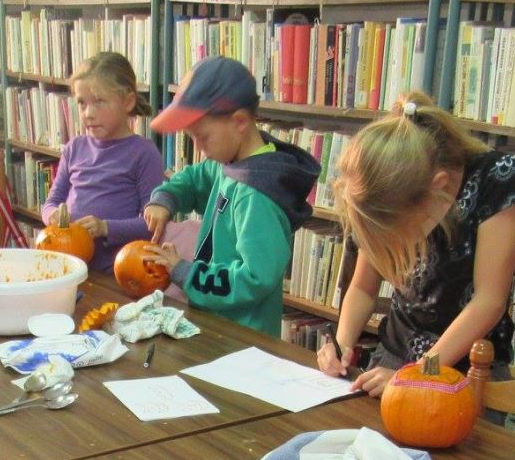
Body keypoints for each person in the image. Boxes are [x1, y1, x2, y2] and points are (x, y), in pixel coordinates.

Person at [317, 91, 515, 396]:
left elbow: (488, 302)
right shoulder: (385, 187)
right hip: (393, 359)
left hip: (466, 371)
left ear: (438, 187)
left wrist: (418, 374)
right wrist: (341, 344)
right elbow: (364, 287)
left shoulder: (496, 177)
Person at [143, 56, 320, 337]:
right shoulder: (230, 163)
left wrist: (185, 272)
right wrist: (165, 199)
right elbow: (194, 179)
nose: (199, 148)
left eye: (203, 137)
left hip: (244, 337)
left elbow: (255, 278)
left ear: (239, 121)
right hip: (216, 326)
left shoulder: (256, 196)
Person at [41, 52, 165, 273]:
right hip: (68, 266)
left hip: (116, 272)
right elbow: (52, 201)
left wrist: (105, 227)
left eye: (99, 102)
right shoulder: (74, 148)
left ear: (128, 102)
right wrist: (51, 215)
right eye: (82, 103)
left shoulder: (144, 153)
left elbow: (152, 224)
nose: (88, 113)